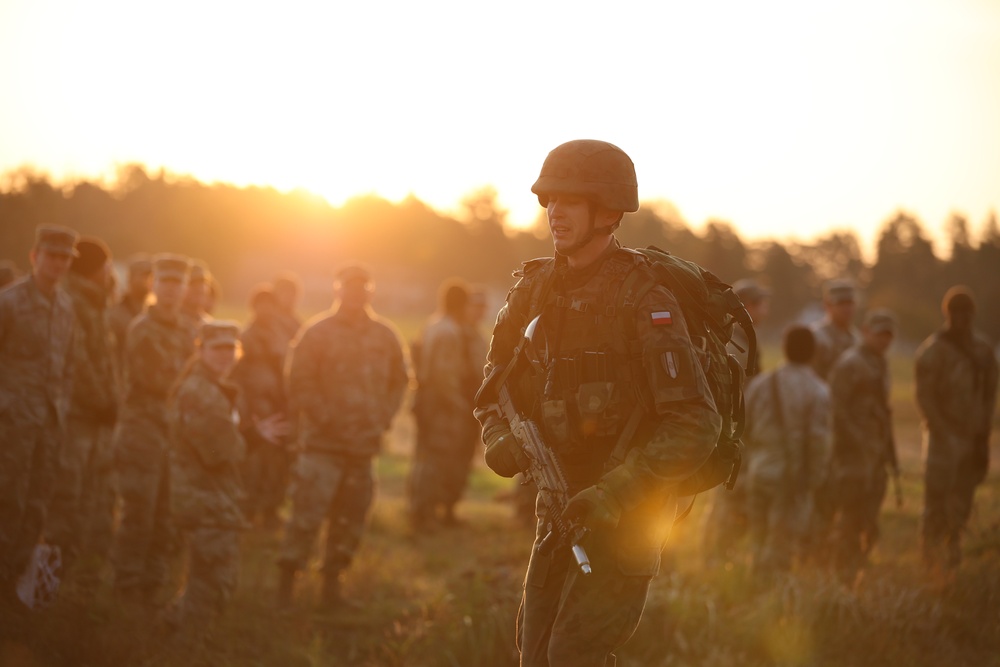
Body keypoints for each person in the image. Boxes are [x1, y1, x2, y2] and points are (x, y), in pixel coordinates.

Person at [474, 140, 721, 665]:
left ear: (608, 212)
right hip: (557, 512)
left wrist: (614, 493)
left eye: (570, 200)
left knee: (572, 656)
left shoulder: (644, 299)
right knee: (534, 657)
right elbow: (494, 385)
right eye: (549, 200)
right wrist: (498, 436)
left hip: (624, 519)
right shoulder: (535, 290)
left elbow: (695, 423)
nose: (555, 211)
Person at [277, 264, 409, 609]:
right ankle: (285, 589)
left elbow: (400, 380)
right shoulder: (317, 332)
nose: (356, 294)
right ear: (338, 291)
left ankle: (332, 590)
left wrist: (383, 417)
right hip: (322, 447)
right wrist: (325, 418)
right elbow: (299, 380)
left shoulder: (385, 335)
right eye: (349, 288)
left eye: (362, 288)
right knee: (306, 515)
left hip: (362, 448)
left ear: (370, 292)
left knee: (350, 520)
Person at [167, 321, 286, 651]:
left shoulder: (214, 387)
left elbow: (224, 446)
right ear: (200, 350)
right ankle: (187, 649)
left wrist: (250, 436)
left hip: (212, 495)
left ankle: (175, 630)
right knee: (215, 581)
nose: (223, 356)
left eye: (229, 349)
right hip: (205, 499)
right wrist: (249, 438)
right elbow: (220, 452)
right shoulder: (200, 392)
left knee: (206, 578)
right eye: (215, 348)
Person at [0, 225, 78, 607]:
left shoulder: (65, 307)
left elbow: (67, 365)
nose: (59, 264)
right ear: (35, 257)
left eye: (66, 258)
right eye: (53, 255)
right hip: (10, 425)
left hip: (48, 425)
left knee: (36, 504)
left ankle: (18, 584)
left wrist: (61, 407)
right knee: (5, 500)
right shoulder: (9, 302)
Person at [112, 254, 194, 606]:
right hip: (143, 432)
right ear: (154, 286)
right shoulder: (142, 329)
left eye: (178, 284)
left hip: (174, 436)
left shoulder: (189, 332)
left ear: (186, 288)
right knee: (139, 514)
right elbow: (160, 382)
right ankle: (126, 585)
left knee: (167, 516)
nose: (172, 291)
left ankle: (153, 585)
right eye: (165, 283)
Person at [45, 238, 120, 592]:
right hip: (75, 417)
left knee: (84, 501)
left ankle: (62, 583)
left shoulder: (94, 304)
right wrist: (103, 401)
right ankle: (43, 586)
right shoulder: (76, 303)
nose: (110, 274)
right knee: (65, 501)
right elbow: (81, 362)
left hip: (92, 417)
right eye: (106, 267)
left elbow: (104, 362)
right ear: (96, 270)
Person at [915, 287, 999, 574]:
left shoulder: (983, 350)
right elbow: (924, 397)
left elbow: (989, 395)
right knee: (936, 504)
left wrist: (983, 435)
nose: (962, 319)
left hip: (973, 437)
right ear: (947, 314)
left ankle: (951, 556)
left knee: (962, 502)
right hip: (942, 441)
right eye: (957, 313)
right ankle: (930, 561)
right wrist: (943, 431)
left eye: (967, 313)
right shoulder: (934, 350)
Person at [744, 326, 831, 578]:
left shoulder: (761, 383)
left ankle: (751, 581)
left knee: (758, 535)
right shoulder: (818, 390)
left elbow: (743, 425)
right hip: (791, 478)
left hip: (759, 470)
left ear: (784, 348)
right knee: (782, 542)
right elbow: (818, 442)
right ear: (813, 352)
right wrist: (814, 480)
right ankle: (771, 595)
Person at [700, 277, 771, 563]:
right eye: (762, 304)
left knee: (730, 495)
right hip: (732, 431)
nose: (767, 310)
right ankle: (713, 558)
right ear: (748, 306)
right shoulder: (735, 342)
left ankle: (716, 556)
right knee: (729, 495)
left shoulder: (739, 337)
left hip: (736, 430)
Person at [827, 309, 897, 585]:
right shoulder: (850, 364)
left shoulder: (881, 363)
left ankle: (857, 572)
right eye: (879, 333)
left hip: (875, 455)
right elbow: (836, 410)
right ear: (866, 332)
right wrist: (855, 441)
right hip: (853, 457)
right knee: (850, 518)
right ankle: (841, 575)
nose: (884, 340)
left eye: (888, 335)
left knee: (869, 518)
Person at [409, 278, 476, 529]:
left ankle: (420, 511)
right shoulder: (449, 331)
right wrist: (458, 405)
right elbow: (444, 376)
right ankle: (424, 516)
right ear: (462, 305)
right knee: (435, 460)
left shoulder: (433, 325)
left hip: (427, 399)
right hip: (439, 404)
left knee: (425, 456)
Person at [230, 284, 293, 529]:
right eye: (262, 305)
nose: (267, 310)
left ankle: (271, 509)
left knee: (277, 463)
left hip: (279, 406)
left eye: (271, 305)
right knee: (253, 464)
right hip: (255, 408)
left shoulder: (282, 335)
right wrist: (246, 408)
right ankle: (247, 510)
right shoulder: (245, 336)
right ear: (254, 307)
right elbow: (237, 375)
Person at [109, 254, 153, 370]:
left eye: (150, 276)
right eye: (143, 275)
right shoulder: (115, 313)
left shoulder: (153, 312)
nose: (148, 280)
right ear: (130, 278)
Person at [811, 279, 859, 381]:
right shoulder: (816, 336)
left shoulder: (856, 339)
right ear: (827, 305)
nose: (846, 308)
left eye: (850, 303)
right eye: (841, 303)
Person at [178, 260, 212, 340]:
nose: (199, 287)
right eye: (192, 283)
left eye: (203, 282)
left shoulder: (208, 323)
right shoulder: (171, 321)